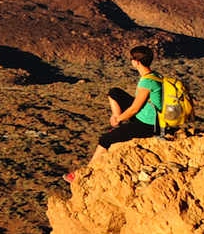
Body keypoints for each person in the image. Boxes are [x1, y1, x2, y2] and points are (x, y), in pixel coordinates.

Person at [65, 45, 163, 184]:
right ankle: (118, 125)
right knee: (114, 93)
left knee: (105, 140)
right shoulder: (156, 76)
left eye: (132, 59)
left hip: (148, 124)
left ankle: (85, 173)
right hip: (151, 117)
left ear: (137, 62)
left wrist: (118, 118)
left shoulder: (147, 82)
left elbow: (134, 109)